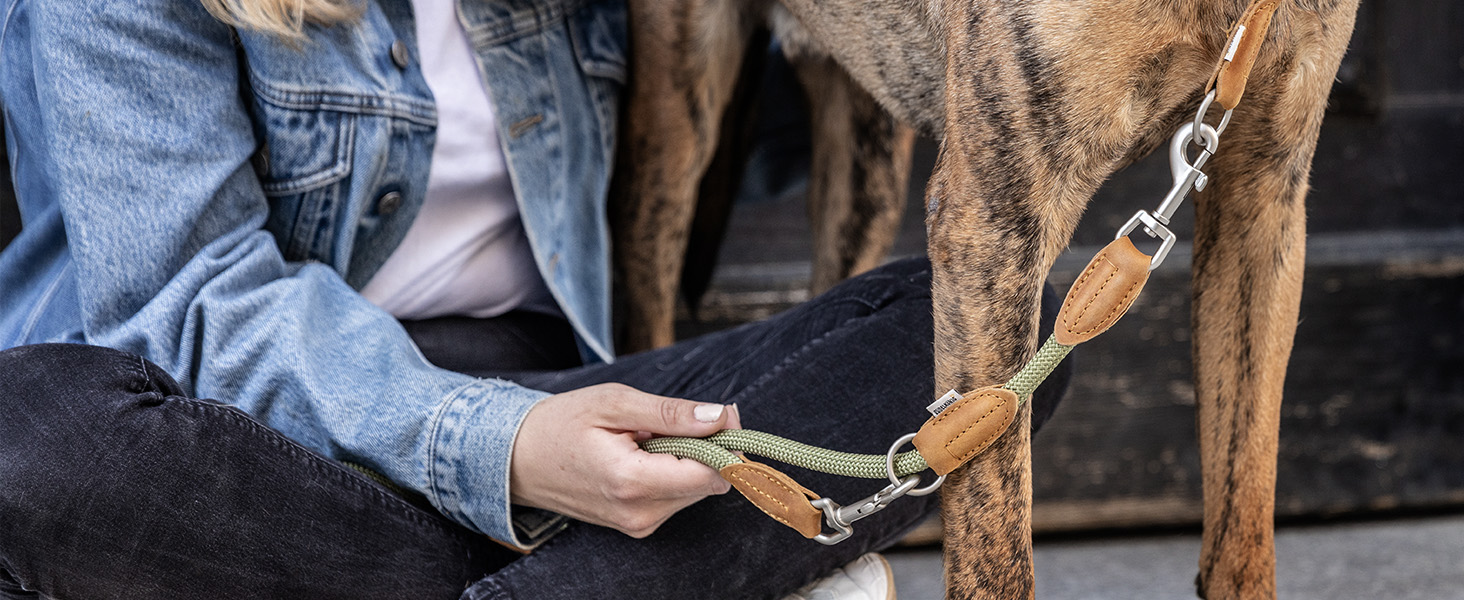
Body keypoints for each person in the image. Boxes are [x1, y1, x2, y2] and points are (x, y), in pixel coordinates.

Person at [0, 0, 1069, 598]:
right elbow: (188, 311)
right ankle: (642, 587)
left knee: (985, 342)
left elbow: (750, 145)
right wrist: (504, 451)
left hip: (550, 385)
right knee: (30, 435)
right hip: (242, 430)